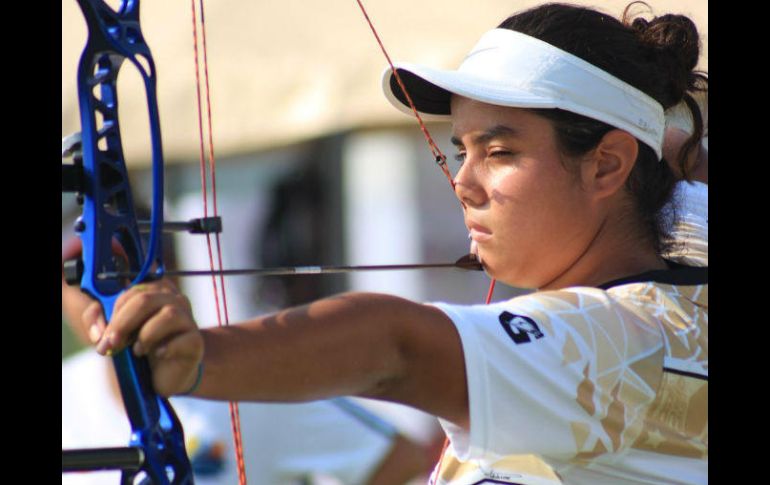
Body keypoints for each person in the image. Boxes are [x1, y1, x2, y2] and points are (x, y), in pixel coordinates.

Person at [81, 3, 708, 484]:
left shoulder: (628, 344)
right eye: (461, 152)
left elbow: (395, 344)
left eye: (499, 152)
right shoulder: (672, 319)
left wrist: (203, 356)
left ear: (607, 165)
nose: (463, 183)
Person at [62, 239, 441, 485]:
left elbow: (399, 462)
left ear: (168, 272)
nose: (100, 290)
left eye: (120, 266)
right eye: (78, 275)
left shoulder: (246, 370)